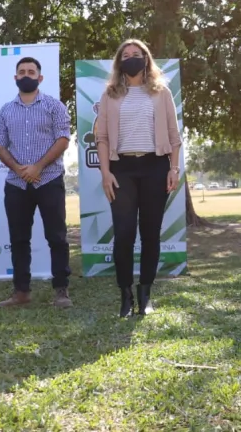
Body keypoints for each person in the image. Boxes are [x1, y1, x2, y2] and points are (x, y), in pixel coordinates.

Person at [95, 39, 182, 317]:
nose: (131, 58)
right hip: (121, 169)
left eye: (137, 54)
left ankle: (145, 296)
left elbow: (174, 136)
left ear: (146, 59)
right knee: (123, 234)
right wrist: (105, 172)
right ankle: (126, 296)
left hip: (155, 167)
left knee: (150, 234)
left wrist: (173, 168)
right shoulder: (109, 94)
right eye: (126, 55)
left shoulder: (161, 92)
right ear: (119, 62)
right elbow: (102, 137)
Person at [0, 57, 73, 309]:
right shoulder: (6, 110)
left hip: (49, 180)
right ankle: (21, 292)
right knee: (18, 239)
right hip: (16, 184)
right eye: (22, 72)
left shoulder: (54, 106)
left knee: (57, 237)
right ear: (15, 77)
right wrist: (19, 169)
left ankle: (61, 291)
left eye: (31, 71)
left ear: (40, 77)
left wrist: (38, 166)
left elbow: (63, 139)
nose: (26, 75)